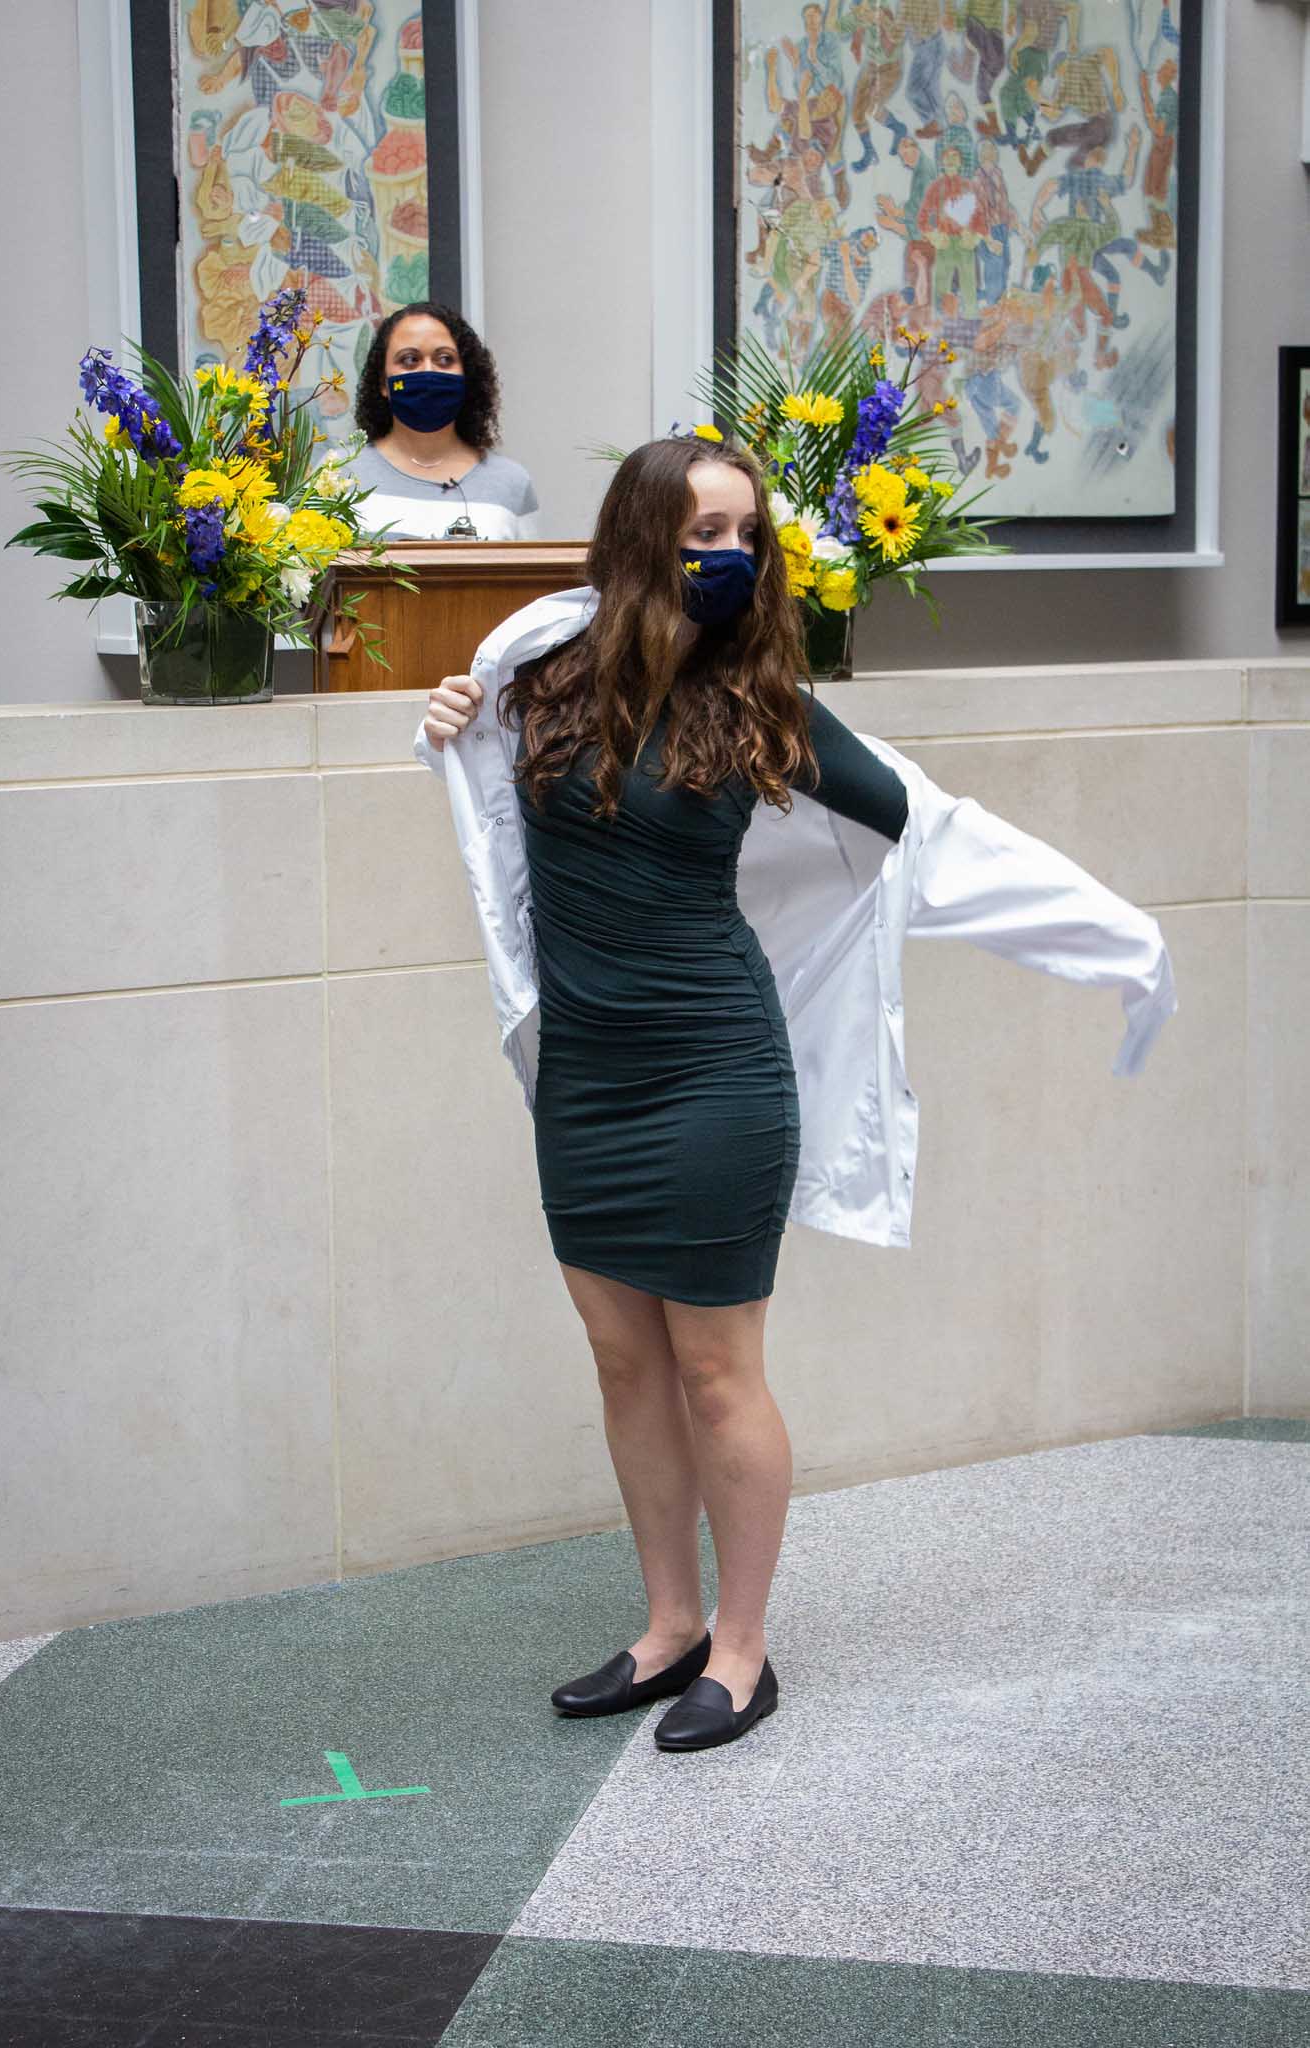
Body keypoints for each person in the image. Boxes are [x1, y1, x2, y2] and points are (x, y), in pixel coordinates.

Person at [415, 433, 1176, 1754]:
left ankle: (746, 1651)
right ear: (640, 539)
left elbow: (931, 832)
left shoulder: (764, 703)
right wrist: (445, 727)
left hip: (715, 1075)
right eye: (699, 532)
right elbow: (494, 824)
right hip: (587, 1083)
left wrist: (1117, 941)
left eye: (742, 537)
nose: (723, 556)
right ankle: (667, 1628)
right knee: (622, 1365)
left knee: (715, 1375)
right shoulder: (537, 677)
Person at [346, 301, 539, 540]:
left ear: (467, 375)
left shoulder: (512, 482)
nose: (428, 371)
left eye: (445, 359)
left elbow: (529, 575)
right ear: (382, 383)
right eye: (409, 359)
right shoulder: (339, 474)